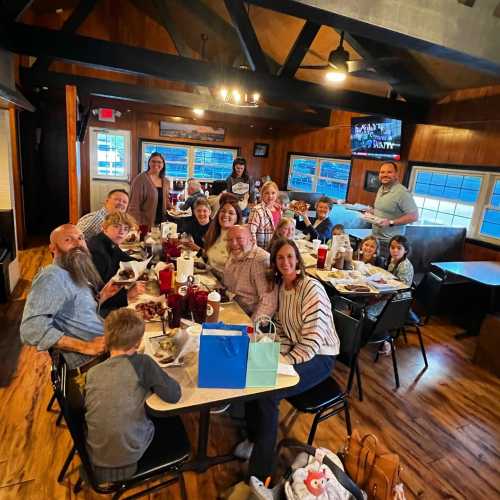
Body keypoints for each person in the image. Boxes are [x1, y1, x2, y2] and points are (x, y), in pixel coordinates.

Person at [236, 238, 340, 480]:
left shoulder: (311, 288)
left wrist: (283, 363)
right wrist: (272, 353)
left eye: (289, 257)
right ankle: (254, 439)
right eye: (280, 258)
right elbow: (281, 326)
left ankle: (260, 473)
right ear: (274, 262)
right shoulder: (282, 286)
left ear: (298, 260)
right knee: (255, 375)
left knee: (270, 392)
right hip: (294, 350)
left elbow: (313, 342)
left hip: (320, 358)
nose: (285, 262)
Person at [84, 308, 181, 483]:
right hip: (130, 459)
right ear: (137, 343)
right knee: (165, 417)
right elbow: (174, 395)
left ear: (107, 339)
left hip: (96, 459)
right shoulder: (143, 363)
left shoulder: (92, 372)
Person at [20, 224, 125, 369]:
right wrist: (86, 346)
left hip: (106, 347)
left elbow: (75, 312)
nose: (78, 244)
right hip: (89, 364)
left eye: (80, 238)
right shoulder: (52, 277)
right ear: (53, 249)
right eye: (68, 240)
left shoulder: (73, 270)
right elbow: (30, 329)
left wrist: (103, 296)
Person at [87, 212, 145, 315]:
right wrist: (127, 295)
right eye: (116, 226)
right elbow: (97, 294)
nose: (122, 231)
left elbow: (128, 260)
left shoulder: (108, 243)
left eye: (126, 228)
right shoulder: (98, 252)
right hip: (95, 310)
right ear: (104, 228)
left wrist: (156, 266)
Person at [223, 225, 278, 321]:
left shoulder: (260, 260)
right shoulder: (236, 253)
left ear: (252, 240)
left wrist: (251, 328)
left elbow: (268, 303)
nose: (234, 243)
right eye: (230, 240)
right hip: (231, 308)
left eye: (239, 238)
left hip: (248, 317)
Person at [370, 162, 418, 254]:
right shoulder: (381, 188)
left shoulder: (402, 192)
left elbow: (414, 216)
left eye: (389, 172)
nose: (385, 175)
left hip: (390, 244)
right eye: (382, 172)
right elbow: (384, 211)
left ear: (396, 174)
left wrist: (391, 222)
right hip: (375, 239)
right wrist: (371, 212)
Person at [366, 235, 414, 323]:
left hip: (397, 299)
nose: (395, 250)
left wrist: (379, 298)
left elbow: (400, 288)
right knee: (366, 300)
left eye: (399, 248)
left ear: (406, 250)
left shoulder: (404, 266)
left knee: (368, 310)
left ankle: (373, 329)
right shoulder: (392, 260)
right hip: (389, 292)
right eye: (392, 247)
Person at [204, 193, 243, 279]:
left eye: (231, 213)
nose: (225, 215)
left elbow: (236, 275)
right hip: (208, 281)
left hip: (226, 288)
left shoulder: (239, 241)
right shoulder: (213, 233)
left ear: (237, 217)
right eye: (223, 211)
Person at [128, 152, 171, 227]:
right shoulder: (140, 179)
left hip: (162, 223)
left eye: (159, 162)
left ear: (163, 165)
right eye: (153, 161)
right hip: (144, 223)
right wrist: (137, 224)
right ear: (149, 163)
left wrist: (174, 209)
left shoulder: (166, 181)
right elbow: (133, 205)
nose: (156, 164)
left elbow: (166, 200)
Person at [248, 181, 281, 249]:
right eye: (267, 193)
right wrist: (255, 250)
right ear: (262, 195)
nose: (270, 196)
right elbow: (251, 232)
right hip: (263, 249)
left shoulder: (278, 209)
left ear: (277, 194)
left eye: (273, 193)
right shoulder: (257, 210)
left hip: (276, 248)